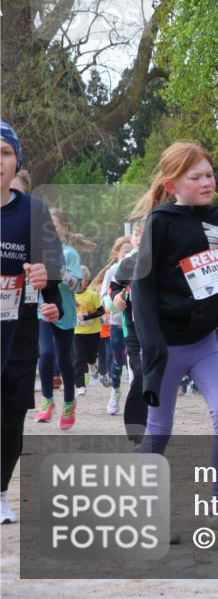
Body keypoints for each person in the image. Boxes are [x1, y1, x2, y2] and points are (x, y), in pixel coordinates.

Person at [131, 141, 218, 512]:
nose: (206, 181)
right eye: (195, 177)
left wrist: (213, 314)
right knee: (160, 429)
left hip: (204, 341)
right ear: (172, 184)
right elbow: (142, 286)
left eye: (209, 174)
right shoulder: (160, 222)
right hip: (164, 344)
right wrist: (151, 344)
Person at [1, 121, 64, 524]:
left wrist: (49, 292)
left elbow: (52, 275)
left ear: (17, 161)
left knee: (8, 416)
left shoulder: (34, 211)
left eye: (5, 153)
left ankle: (1, 491)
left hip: (17, 334)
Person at [36, 207, 92, 430]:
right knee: (46, 353)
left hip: (66, 314)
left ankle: (69, 402)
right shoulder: (37, 252)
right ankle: (47, 400)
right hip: (43, 311)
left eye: (54, 226)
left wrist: (60, 273)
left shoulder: (70, 254)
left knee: (65, 360)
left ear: (64, 228)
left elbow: (79, 287)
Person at [109, 220, 147, 442]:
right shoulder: (127, 263)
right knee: (139, 374)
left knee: (155, 377)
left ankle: (154, 421)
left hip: (157, 329)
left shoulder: (163, 260)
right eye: (136, 234)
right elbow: (115, 287)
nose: (141, 238)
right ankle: (136, 430)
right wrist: (117, 296)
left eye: (145, 234)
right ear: (132, 238)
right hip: (132, 329)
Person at [93, 235, 133, 413]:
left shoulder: (142, 268)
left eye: (131, 251)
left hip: (136, 324)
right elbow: (103, 298)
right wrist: (113, 301)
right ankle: (115, 390)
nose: (129, 255)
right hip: (117, 324)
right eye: (125, 252)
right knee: (117, 362)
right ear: (117, 254)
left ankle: (136, 399)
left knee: (136, 363)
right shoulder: (112, 272)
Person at [72, 266, 102, 397]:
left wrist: (87, 317)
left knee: (91, 356)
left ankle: (92, 364)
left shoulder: (92, 295)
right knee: (79, 358)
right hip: (77, 331)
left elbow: (102, 311)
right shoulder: (70, 296)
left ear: (87, 281)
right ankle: (80, 386)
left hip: (93, 331)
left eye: (82, 281)